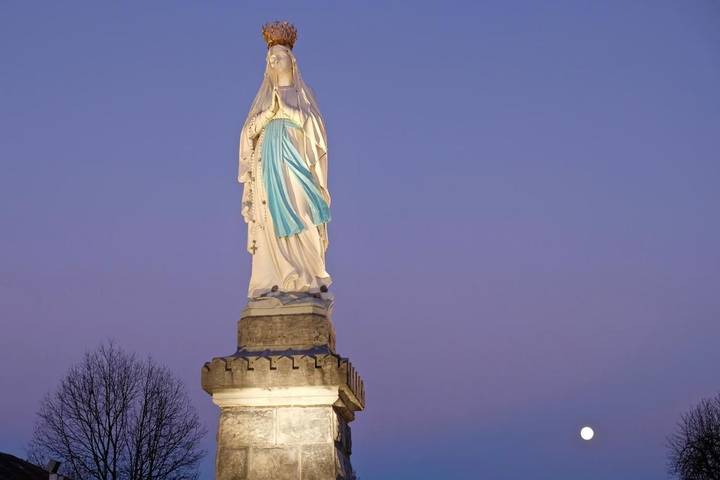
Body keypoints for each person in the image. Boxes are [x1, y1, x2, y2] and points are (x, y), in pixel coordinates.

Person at [238, 22, 331, 298]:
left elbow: (317, 132)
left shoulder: (303, 95)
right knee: (271, 225)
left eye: (278, 55)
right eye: (270, 57)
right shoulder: (264, 99)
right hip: (268, 167)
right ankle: (274, 279)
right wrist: (268, 115)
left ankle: (307, 276)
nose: (273, 60)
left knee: (302, 213)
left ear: (291, 60)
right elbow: (247, 133)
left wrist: (288, 111)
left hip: (296, 166)